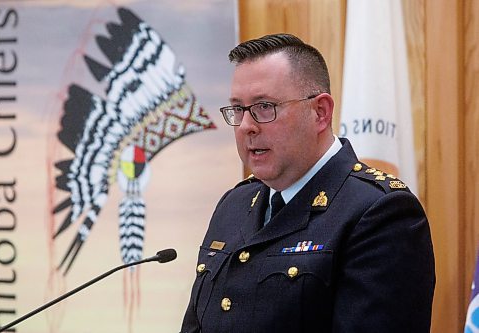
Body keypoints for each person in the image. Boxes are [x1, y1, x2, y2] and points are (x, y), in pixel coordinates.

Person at [180, 33, 435, 333]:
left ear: (320, 112)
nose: (247, 126)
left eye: (264, 107)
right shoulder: (234, 205)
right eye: (238, 109)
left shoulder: (380, 213)